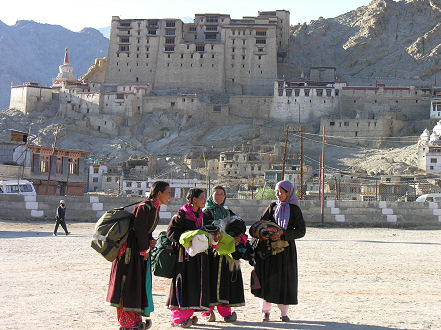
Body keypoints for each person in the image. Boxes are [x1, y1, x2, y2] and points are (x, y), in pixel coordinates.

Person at [107, 181, 171, 330]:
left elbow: (144, 232)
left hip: (137, 252)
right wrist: (145, 250)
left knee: (136, 284)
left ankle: (136, 319)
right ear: (159, 193)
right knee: (127, 285)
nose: (170, 196)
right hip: (129, 254)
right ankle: (126, 324)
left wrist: (149, 242)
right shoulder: (145, 207)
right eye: (168, 192)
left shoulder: (153, 207)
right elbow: (139, 230)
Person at [250, 180, 306, 323]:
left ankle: (284, 313)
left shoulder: (295, 210)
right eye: (276, 191)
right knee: (267, 279)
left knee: (285, 281)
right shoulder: (272, 207)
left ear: (289, 193)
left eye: (281, 192)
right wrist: (268, 233)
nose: (278, 194)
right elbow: (261, 224)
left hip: (286, 252)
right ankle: (266, 312)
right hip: (269, 251)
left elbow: (301, 231)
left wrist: (283, 234)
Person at [166, 188, 218, 328]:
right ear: (194, 200)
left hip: (199, 259)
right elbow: (171, 233)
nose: (204, 200)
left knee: (195, 284)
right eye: (202, 198)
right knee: (183, 283)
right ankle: (177, 318)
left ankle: (187, 314)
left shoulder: (204, 216)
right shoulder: (181, 215)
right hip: (185, 258)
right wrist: (188, 238)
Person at [201, 186, 246, 323]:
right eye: (216, 194)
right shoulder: (205, 212)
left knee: (226, 281)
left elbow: (239, 226)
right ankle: (207, 312)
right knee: (209, 280)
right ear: (211, 195)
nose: (219, 197)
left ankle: (226, 312)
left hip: (227, 254)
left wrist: (237, 237)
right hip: (210, 253)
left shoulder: (228, 212)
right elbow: (203, 230)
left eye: (222, 194)